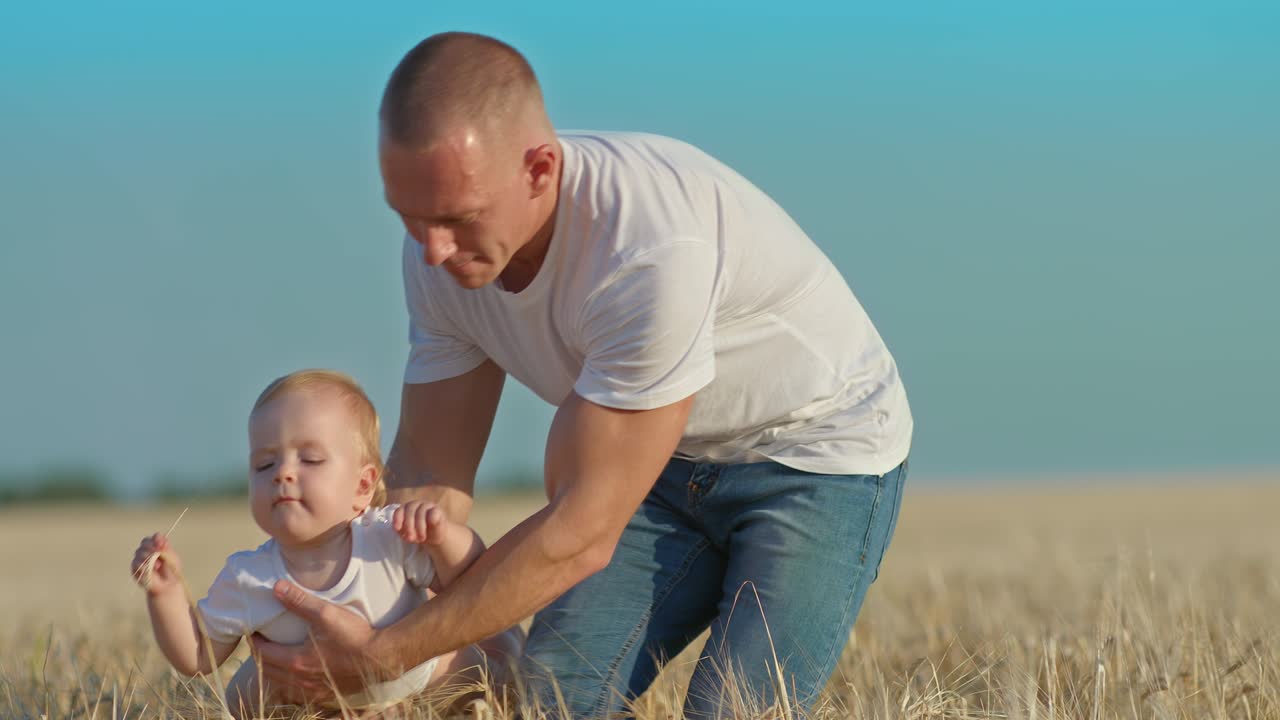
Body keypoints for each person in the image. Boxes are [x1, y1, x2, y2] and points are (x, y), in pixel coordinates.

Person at [252, 32, 912, 719]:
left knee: (736, 710)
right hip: (665, 465)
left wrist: (387, 656)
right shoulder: (437, 250)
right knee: (554, 700)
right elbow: (429, 474)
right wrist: (338, 602)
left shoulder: (647, 247)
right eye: (408, 217)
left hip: (818, 461)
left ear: (540, 168)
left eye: (455, 218)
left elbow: (583, 530)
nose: (431, 251)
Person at [129, 369, 499, 718]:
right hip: (297, 691)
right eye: (264, 465)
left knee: (479, 670)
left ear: (363, 487)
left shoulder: (388, 537)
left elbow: (469, 579)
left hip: (412, 678)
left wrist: (443, 537)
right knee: (242, 698)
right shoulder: (248, 576)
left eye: (310, 459)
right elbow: (197, 657)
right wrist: (164, 594)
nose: (283, 473)